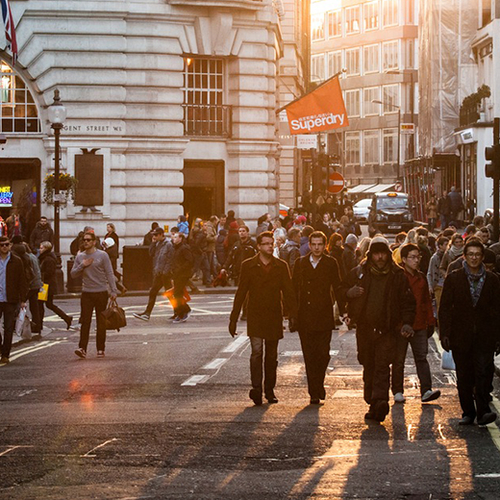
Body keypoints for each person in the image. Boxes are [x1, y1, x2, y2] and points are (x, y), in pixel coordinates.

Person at [342, 236, 415, 422]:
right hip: (365, 329)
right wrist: (348, 294)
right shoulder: (360, 272)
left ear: (388, 255)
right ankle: (372, 401)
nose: (380, 257)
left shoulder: (397, 276)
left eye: (383, 253)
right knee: (368, 364)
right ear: (370, 255)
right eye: (376, 254)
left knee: (382, 366)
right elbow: (341, 289)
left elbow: (408, 302)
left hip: (387, 330)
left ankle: (380, 400)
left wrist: (407, 322)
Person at [229, 231, 297, 406]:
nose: (269, 246)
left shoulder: (280, 266)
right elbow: (241, 292)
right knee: (257, 352)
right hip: (256, 314)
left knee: (271, 356)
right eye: (265, 243)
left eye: (271, 243)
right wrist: (233, 318)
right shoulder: (248, 265)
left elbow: (288, 292)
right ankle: (257, 389)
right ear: (258, 246)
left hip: (274, 314)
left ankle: (270, 390)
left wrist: (293, 316)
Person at [439, 239, 500, 426]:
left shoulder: (492, 280)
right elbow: (446, 308)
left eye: (477, 255)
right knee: (464, 375)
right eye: (471, 254)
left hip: (485, 336)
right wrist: (445, 333)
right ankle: (468, 412)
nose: (474, 258)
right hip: (460, 335)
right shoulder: (454, 278)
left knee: (483, 373)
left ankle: (483, 411)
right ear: (464, 256)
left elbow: (497, 310)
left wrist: (498, 337)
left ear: (482, 257)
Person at [292, 231, 343, 404]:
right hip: (305, 316)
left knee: (323, 354)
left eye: (320, 244)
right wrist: (291, 314)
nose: (316, 247)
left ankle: (319, 383)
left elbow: (337, 287)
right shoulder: (301, 263)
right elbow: (293, 289)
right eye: (313, 244)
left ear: (325, 245)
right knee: (309, 355)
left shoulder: (330, 263)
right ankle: (314, 391)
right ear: (309, 245)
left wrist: (344, 311)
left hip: (323, 314)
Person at [392, 243, 440, 404]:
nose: (416, 260)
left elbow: (426, 301)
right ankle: (398, 390)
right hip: (401, 327)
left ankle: (426, 390)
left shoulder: (421, 278)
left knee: (422, 358)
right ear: (404, 259)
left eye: (417, 257)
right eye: (412, 257)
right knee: (398, 360)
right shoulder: (398, 277)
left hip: (419, 325)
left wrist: (430, 321)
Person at [70, 231, 117, 359]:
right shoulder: (80, 256)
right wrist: (82, 265)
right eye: (84, 240)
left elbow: (109, 273)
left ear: (94, 242)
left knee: (101, 322)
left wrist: (113, 290)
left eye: (89, 240)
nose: (86, 242)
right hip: (87, 293)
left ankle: (100, 349)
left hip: (101, 292)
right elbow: (73, 274)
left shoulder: (102, 255)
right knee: (85, 321)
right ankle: (82, 348)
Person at [133, 227, 173, 321]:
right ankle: (147, 313)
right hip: (158, 272)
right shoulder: (157, 243)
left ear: (161, 234)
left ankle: (180, 311)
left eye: (155, 235)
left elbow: (170, 260)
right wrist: (153, 243)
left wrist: (165, 272)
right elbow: (151, 253)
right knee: (155, 292)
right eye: (153, 235)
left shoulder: (168, 244)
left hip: (164, 273)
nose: (154, 237)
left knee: (169, 293)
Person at [0, 236, 28, 365]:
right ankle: (2, 347)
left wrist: (23, 299)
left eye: (6, 244)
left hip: (11, 299)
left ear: (10, 245)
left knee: (8, 327)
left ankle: (5, 354)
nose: (4, 247)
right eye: (2, 245)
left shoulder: (16, 261)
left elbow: (22, 280)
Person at [38, 241, 73, 331]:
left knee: (41, 304)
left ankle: (39, 324)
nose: (40, 249)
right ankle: (66, 318)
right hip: (46, 285)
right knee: (48, 305)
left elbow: (48, 273)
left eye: (41, 248)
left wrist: (40, 276)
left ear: (46, 248)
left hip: (46, 285)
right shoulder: (45, 257)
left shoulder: (48, 259)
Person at [171, 231, 194, 323]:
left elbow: (189, 261)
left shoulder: (184, 248)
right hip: (177, 274)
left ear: (180, 238)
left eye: (176, 237)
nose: (174, 239)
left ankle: (182, 313)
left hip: (183, 274)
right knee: (178, 294)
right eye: (173, 237)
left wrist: (180, 269)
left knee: (177, 294)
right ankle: (184, 310)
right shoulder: (176, 248)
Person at [103, 223, 126, 295]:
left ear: (112, 228)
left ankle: (119, 287)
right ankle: (120, 286)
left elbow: (115, 246)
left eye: (109, 227)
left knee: (110, 274)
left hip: (112, 257)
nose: (108, 229)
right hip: (108, 256)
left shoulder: (114, 236)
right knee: (111, 274)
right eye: (107, 227)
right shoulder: (106, 235)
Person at [427, 236, 449, 310]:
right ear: (440, 246)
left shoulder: (449, 255)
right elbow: (430, 272)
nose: (448, 246)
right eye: (446, 244)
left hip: (447, 284)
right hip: (438, 284)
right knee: (439, 306)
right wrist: (430, 286)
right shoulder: (435, 257)